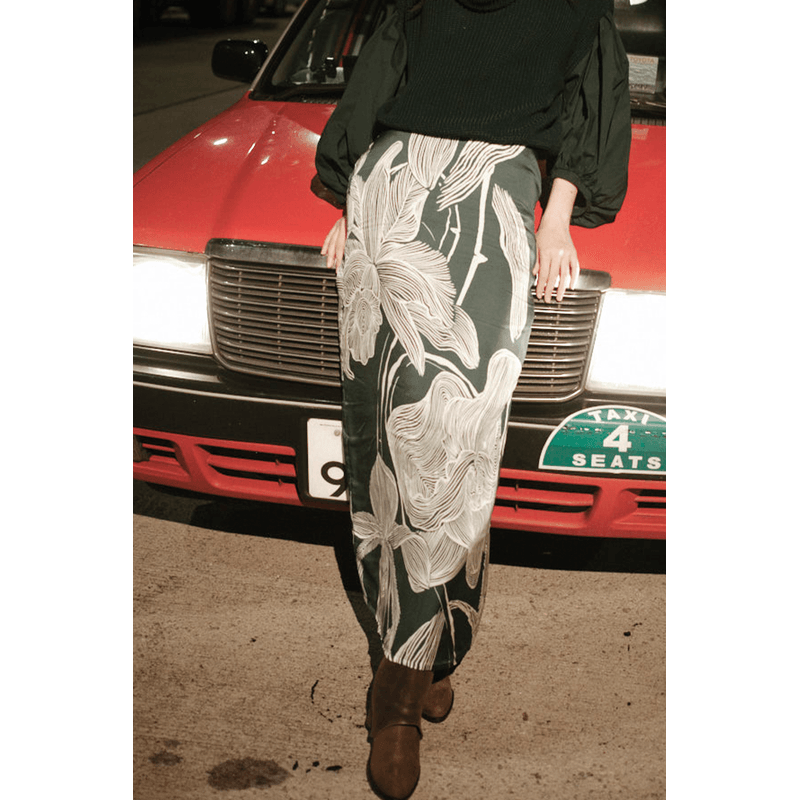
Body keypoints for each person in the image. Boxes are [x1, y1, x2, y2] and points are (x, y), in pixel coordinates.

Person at [311, 1, 631, 797]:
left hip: (495, 201)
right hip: (390, 191)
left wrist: (556, 221)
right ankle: (406, 682)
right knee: (381, 444)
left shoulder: (578, 8)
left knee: (460, 443)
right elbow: (376, 84)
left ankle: (425, 654)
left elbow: (589, 107)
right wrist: (351, 204)